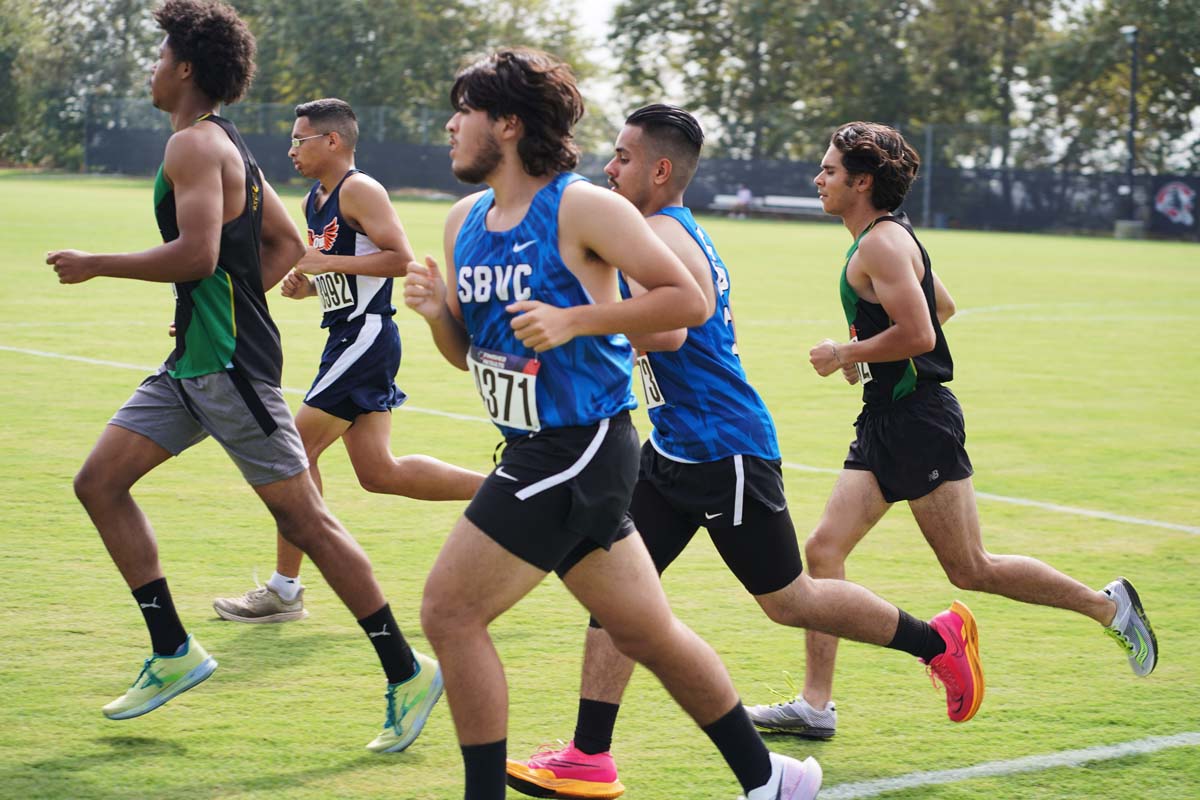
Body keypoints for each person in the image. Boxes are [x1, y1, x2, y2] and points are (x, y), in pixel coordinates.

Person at [504, 104, 982, 800]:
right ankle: (589, 755)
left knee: (788, 600)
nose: (609, 168)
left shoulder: (663, 230)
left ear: (661, 170)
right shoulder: (663, 229)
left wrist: (568, 330)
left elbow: (665, 335)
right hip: (674, 450)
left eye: (624, 157)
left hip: (722, 449)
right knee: (615, 592)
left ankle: (936, 642)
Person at [404, 49, 820, 800]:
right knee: (647, 633)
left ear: (507, 123)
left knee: (449, 611)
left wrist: (577, 320)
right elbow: (468, 355)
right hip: (536, 447)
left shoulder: (581, 208)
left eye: (463, 109)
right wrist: (439, 315)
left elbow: (687, 302)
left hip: (580, 448)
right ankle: (772, 777)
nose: (450, 124)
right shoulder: (462, 220)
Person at [45, 0, 440, 754]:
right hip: (196, 359)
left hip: (229, 367)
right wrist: (212, 303)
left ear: (186, 67)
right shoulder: (228, 144)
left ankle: (407, 670)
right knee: (98, 481)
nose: (152, 68)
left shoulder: (194, 146)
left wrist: (100, 265)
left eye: (160, 56)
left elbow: (199, 256)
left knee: (308, 521)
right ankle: (173, 651)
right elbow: (287, 242)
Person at [745, 120, 1158, 739]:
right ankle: (815, 706)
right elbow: (942, 303)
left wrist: (848, 353)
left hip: (920, 423)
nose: (818, 179)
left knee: (970, 568)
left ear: (861, 182)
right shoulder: (883, 239)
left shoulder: (881, 245)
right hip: (887, 419)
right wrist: (869, 346)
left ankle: (1109, 608)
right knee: (824, 551)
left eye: (829, 170)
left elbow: (923, 333)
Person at [212, 97, 485, 623]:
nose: (291, 149)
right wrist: (312, 286)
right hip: (346, 338)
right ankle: (508, 492)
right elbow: (352, 269)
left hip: (368, 338)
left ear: (332, 141)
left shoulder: (360, 189)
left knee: (292, 450)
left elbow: (401, 260)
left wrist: (323, 261)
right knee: (379, 472)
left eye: (300, 139)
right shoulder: (316, 199)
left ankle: (285, 590)